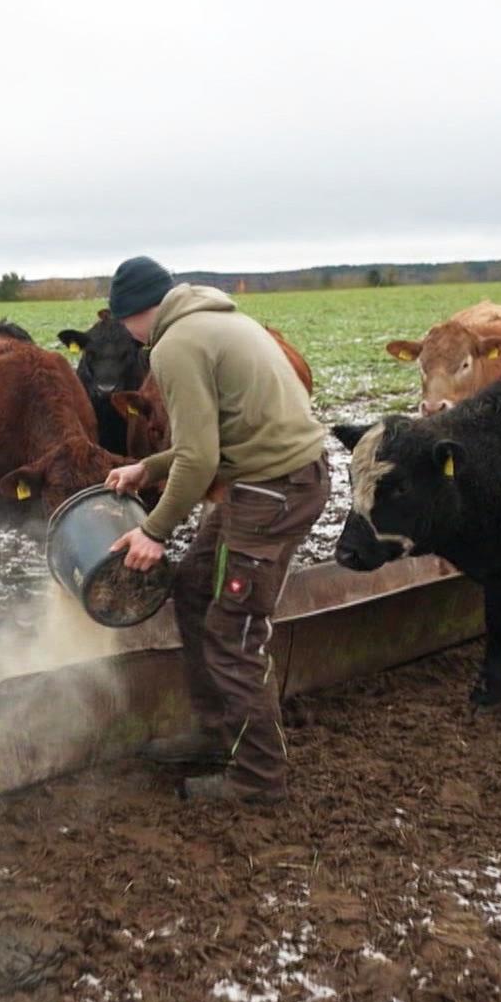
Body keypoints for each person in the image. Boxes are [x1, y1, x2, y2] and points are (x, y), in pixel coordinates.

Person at [102, 256, 329, 805]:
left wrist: (154, 531)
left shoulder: (174, 345)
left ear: (135, 314)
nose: (129, 335)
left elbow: (201, 459)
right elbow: (209, 440)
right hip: (273, 479)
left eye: (123, 323)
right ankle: (216, 729)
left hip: (272, 490)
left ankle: (258, 778)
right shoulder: (219, 320)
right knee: (195, 585)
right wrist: (147, 468)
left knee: (235, 633)